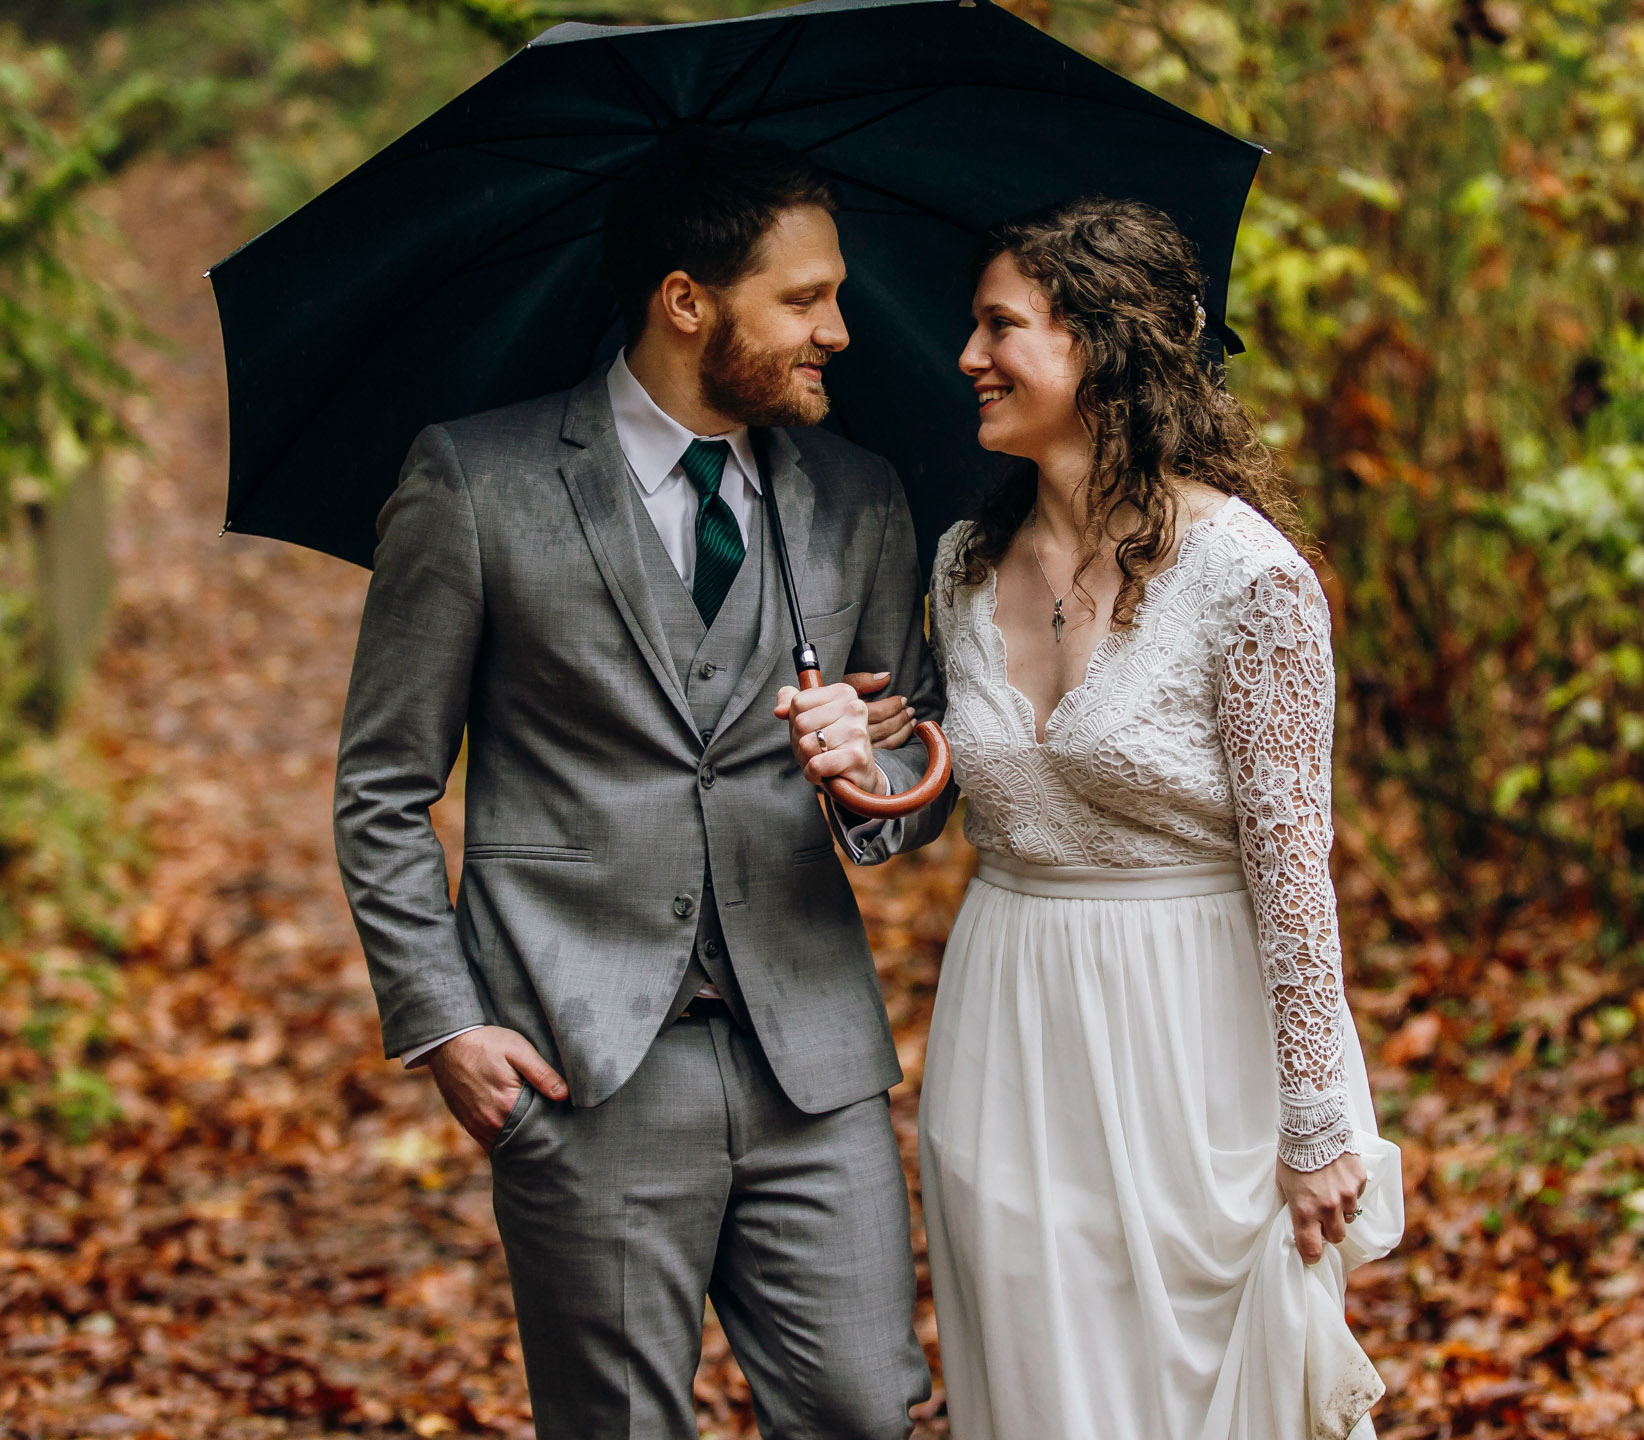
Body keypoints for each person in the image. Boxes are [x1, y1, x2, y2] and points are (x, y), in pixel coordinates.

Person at [332, 132, 951, 1440]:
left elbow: (918, 760)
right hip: (582, 1062)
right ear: (686, 301)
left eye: (835, 294)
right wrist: (444, 1023)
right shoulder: (476, 481)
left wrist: (872, 772)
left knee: (863, 1410)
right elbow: (384, 784)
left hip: (813, 1061)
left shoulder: (858, 496)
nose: (839, 329)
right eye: (804, 299)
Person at [915, 197, 1404, 1440]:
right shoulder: (963, 566)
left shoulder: (1248, 580)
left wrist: (1316, 1117)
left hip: (1197, 1042)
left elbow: (1296, 869)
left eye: (1001, 327)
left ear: (1101, 346)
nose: (968, 356)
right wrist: (868, 758)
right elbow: (968, 782)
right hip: (1007, 1033)